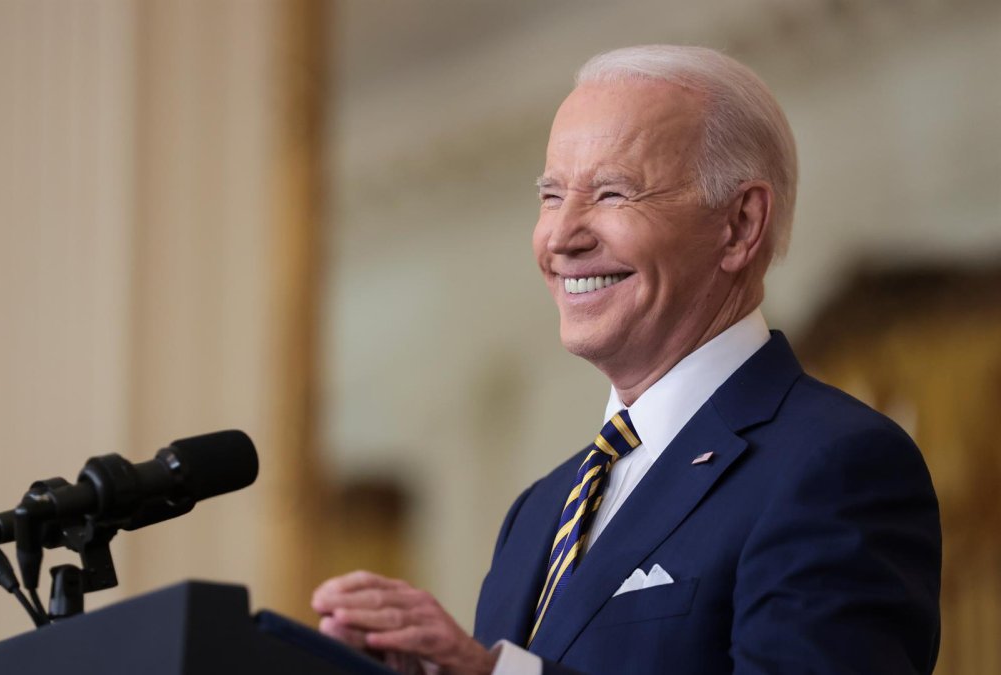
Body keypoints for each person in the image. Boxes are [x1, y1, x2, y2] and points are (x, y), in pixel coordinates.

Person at [311, 45, 941, 675]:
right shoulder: (537, 513)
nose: (562, 236)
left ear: (740, 226)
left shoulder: (834, 465)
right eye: (552, 196)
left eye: (612, 193)